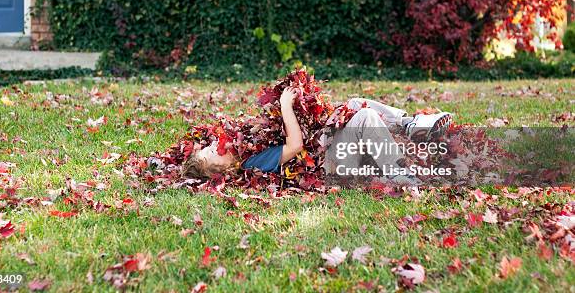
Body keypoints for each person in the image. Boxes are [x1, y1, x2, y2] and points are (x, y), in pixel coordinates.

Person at [181, 88, 452, 179]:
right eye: (212, 154)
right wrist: (286, 106)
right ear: (224, 172)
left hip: (324, 149)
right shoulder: (251, 162)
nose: (217, 145)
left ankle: (411, 124)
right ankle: (397, 173)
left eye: (211, 145)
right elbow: (296, 145)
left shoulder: (245, 142)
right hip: (330, 166)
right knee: (365, 117)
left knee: (356, 104)